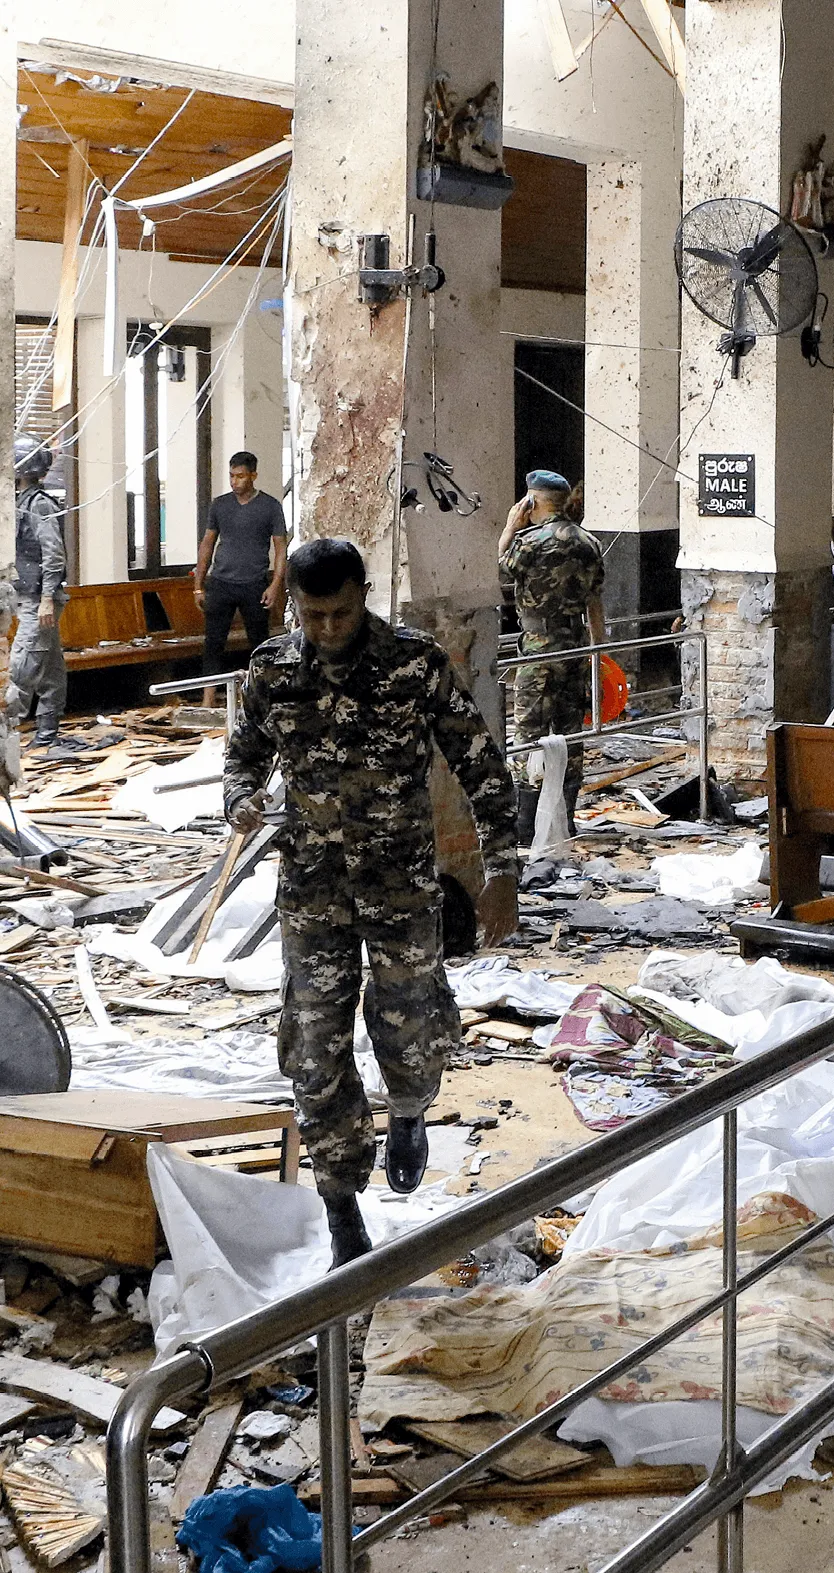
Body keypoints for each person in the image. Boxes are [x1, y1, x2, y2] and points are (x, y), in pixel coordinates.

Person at [224, 538, 518, 1267]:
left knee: (411, 1031)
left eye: (343, 612)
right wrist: (239, 800)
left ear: (365, 595)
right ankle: (340, 1209)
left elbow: (481, 764)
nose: (329, 628)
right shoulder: (270, 671)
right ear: (293, 603)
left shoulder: (414, 664)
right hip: (313, 891)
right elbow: (243, 754)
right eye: (313, 614)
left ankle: (411, 1110)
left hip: (400, 886)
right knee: (315, 1051)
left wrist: (502, 873)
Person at [498, 471, 604, 841]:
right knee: (569, 732)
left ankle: (526, 825)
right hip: (575, 645)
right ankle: (566, 819)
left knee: (529, 734)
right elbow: (595, 602)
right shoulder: (589, 542)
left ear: (532, 503)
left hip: (538, 648)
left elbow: (502, 564)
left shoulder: (528, 542)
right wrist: (599, 651)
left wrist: (512, 526)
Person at [194, 452, 288, 707]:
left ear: (253, 476)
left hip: (254, 585)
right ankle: (208, 701)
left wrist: (275, 585)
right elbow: (207, 544)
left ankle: (261, 700)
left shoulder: (270, 507)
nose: (235, 481)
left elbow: (280, 548)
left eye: (241, 476)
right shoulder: (220, 505)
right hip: (221, 582)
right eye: (232, 476)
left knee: (260, 645)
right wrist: (198, 586)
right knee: (213, 643)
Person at [11, 438, 70, 751]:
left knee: (20, 669)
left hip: (40, 601)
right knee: (50, 670)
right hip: (30, 598)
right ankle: (47, 735)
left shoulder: (40, 503)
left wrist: (47, 598)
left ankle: (6, 736)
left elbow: (53, 554)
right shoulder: (23, 501)